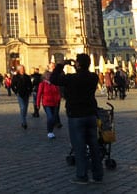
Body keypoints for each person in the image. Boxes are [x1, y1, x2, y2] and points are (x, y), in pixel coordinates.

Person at [50, 54, 103, 185]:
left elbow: (53, 79)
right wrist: (77, 67)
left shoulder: (71, 78)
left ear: (78, 64)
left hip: (76, 116)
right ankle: (97, 175)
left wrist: (62, 64)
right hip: (91, 115)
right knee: (94, 146)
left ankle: (82, 175)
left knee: (79, 147)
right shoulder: (93, 77)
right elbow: (83, 75)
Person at [36, 69, 62, 139]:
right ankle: (49, 132)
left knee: (53, 118)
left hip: (54, 103)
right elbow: (39, 94)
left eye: (50, 75)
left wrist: (58, 99)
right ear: (44, 77)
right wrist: (37, 104)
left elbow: (58, 92)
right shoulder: (42, 84)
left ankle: (51, 130)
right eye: (47, 75)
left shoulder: (54, 83)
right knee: (50, 117)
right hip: (46, 103)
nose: (49, 76)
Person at [10, 65, 33, 129]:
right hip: (20, 94)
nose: (23, 69)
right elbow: (12, 85)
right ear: (19, 70)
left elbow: (30, 85)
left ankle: (23, 119)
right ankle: (24, 122)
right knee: (22, 107)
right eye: (22, 69)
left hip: (26, 94)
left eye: (23, 68)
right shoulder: (15, 77)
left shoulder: (27, 76)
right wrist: (16, 91)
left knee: (25, 108)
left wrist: (30, 91)